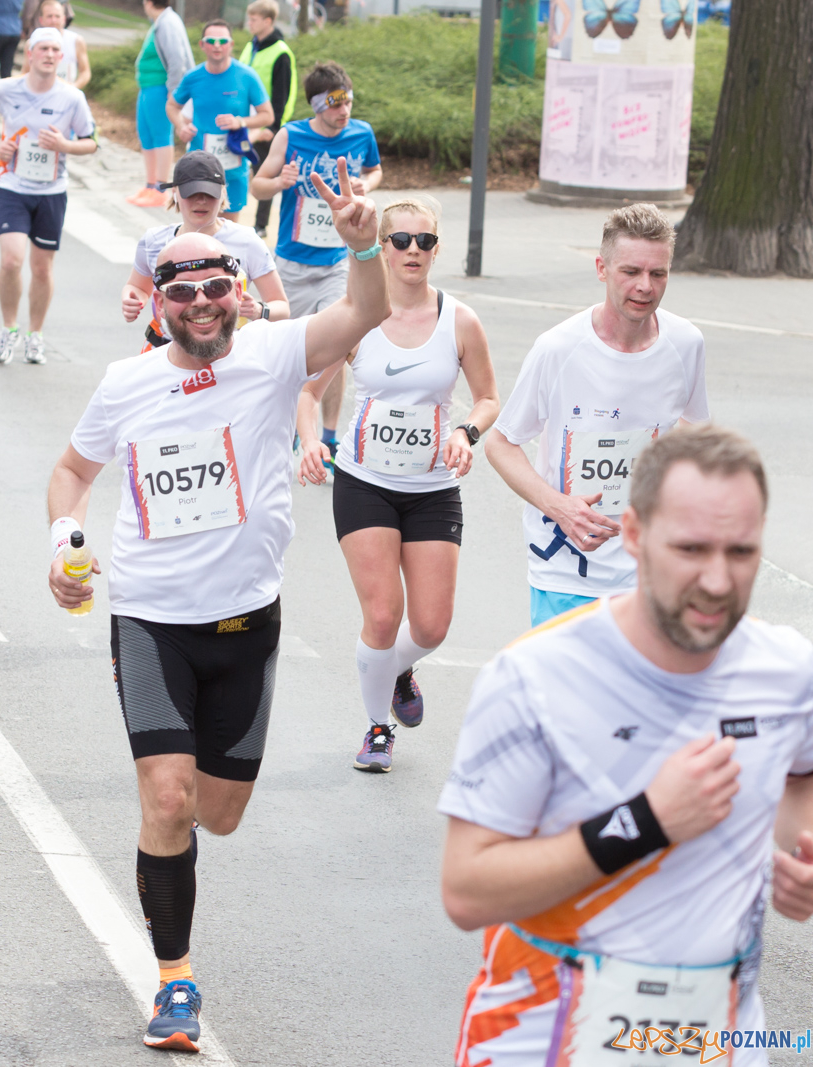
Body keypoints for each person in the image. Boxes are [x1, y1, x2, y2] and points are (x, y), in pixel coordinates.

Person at [46, 166, 388, 1051]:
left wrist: (363, 245)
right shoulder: (125, 383)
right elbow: (72, 474)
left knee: (217, 812)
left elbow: (363, 315)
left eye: (214, 285)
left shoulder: (275, 354)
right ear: (157, 300)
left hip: (248, 622)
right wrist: (62, 544)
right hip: (151, 619)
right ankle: (175, 981)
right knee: (166, 797)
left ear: (237, 291)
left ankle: (175, 850)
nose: (200, 301)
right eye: (181, 288)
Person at [438, 424, 813, 1067]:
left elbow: (798, 782)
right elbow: (468, 890)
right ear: (635, 535)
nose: (719, 582)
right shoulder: (536, 676)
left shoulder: (788, 673)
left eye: (742, 552)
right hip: (545, 1034)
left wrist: (804, 856)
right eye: (692, 549)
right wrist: (646, 821)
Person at [295, 197, 498, 773]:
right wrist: (312, 442)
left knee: (431, 625)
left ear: (437, 249)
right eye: (402, 240)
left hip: (434, 486)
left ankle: (399, 668)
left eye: (425, 242)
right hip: (364, 482)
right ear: (382, 247)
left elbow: (487, 398)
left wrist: (465, 432)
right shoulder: (356, 316)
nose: (414, 251)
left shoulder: (460, 320)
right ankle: (378, 726)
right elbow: (307, 392)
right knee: (383, 617)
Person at [487, 204, 708, 629]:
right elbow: (501, 443)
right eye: (631, 272)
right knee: (567, 696)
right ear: (602, 268)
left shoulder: (686, 343)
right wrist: (560, 507)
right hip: (567, 569)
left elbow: (696, 430)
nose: (645, 286)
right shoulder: (558, 348)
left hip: (650, 572)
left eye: (658, 274)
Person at [252, 60, 382, 472]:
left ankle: (327, 435)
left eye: (348, 101)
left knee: (338, 346)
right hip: (291, 261)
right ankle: (285, 426)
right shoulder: (292, 135)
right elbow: (258, 183)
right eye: (335, 103)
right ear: (316, 105)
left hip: (336, 262)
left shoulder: (362, 133)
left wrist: (367, 185)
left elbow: (375, 169)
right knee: (286, 351)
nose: (344, 111)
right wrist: (280, 183)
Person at [0, 25, 95, 366]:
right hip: (12, 185)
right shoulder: (6, 89)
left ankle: (35, 334)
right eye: (42, 49)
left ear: (61, 57)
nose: (48, 55)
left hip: (52, 191)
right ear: (29, 55)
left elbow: (92, 142)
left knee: (41, 269)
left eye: (55, 51)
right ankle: (9, 327)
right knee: (11, 260)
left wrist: (64, 145)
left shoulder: (72, 97)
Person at [121, 149, 287, 351]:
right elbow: (137, 287)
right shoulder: (153, 241)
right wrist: (133, 299)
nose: (201, 201)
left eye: (209, 194)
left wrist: (259, 310)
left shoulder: (247, 241)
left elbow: (282, 307)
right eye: (192, 193)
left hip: (224, 355)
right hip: (164, 351)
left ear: (223, 193)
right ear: (175, 193)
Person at [166, 20, 270, 225]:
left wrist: (239, 121)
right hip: (198, 167)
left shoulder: (247, 76)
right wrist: (181, 126)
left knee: (229, 230)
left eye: (223, 40)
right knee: (198, 228)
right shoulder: (193, 77)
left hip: (233, 164)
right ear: (202, 45)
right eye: (211, 40)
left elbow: (267, 116)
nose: (217, 45)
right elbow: (171, 106)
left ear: (231, 45)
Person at [236, 0, 295, 238]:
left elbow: (282, 93)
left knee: (264, 174)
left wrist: (273, 126)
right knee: (242, 170)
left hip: (266, 126)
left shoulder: (281, 52)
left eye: (254, 19)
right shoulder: (251, 47)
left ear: (267, 21)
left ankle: (260, 226)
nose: (249, 23)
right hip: (245, 123)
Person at [128, 0, 190, 209]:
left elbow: (176, 60)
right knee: (146, 134)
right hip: (148, 87)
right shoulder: (160, 21)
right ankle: (150, 184)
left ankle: (161, 188)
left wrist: (174, 93)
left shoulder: (168, 23)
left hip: (160, 88)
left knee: (161, 134)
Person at [19, 0, 84, 86]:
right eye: (49, 16)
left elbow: (85, 72)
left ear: (64, 19)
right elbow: (25, 72)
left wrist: (74, 87)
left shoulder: (76, 40)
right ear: (41, 20)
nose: (53, 20)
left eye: (57, 16)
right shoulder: (31, 43)